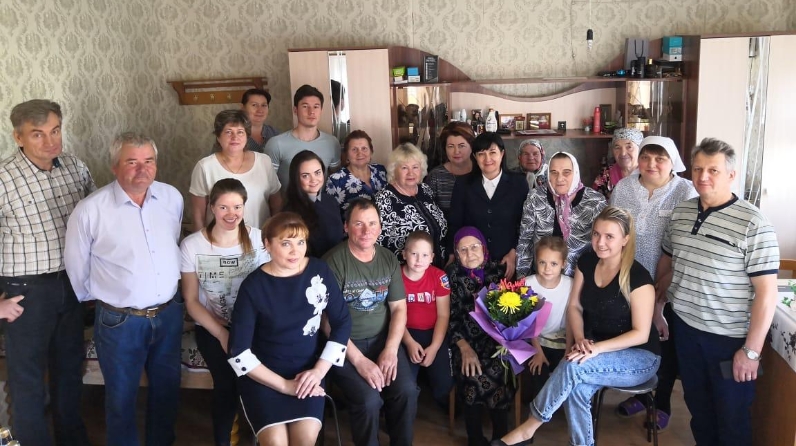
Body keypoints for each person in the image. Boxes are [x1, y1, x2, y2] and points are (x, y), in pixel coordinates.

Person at [494, 206, 661, 446]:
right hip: (594, 350)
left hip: (640, 358)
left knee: (573, 367)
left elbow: (641, 334)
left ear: (625, 239)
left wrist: (596, 348)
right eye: (596, 234)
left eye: (609, 236)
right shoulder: (587, 262)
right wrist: (580, 339)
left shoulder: (639, 278)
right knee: (577, 388)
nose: (600, 242)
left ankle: (527, 429)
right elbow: (574, 307)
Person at [656, 138, 779, 446]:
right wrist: (658, 307)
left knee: (732, 416)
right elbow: (668, 262)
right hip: (686, 331)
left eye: (713, 170)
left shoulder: (754, 223)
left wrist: (751, 352)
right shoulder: (681, 213)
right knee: (699, 410)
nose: (703, 177)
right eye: (698, 169)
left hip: (728, 340)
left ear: (731, 175)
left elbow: (766, 294)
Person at [65, 132, 184, 446]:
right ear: (115, 166)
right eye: (132, 162)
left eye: (149, 161)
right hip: (120, 321)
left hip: (169, 314)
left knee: (167, 392)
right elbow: (77, 269)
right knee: (121, 398)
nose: (142, 169)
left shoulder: (171, 197)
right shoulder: (91, 210)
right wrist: (112, 297)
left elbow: (171, 243)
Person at [0, 99, 94, 446]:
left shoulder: (75, 167)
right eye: (37, 134)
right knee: (27, 381)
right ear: (18, 137)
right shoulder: (4, 178)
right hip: (24, 292)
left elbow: (96, 222)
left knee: (69, 371)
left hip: (71, 285)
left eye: (55, 131)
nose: (50, 141)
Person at [227, 212, 352, 446]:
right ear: (267, 245)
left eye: (300, 242)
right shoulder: (253, 286)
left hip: (308, 374)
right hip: (264, 377)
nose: (295, 251)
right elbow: (238, 353)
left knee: (304, 441)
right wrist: (285, 386)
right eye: (286, 243)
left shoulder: (319, 271)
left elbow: (342, 322)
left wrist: (318, 372)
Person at [609, 136, 697, 429]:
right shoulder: (624, 188)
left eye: (660, 159)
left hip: (668, 281)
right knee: (639, 340)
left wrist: (664, 285)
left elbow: (686, 242)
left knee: (664, 344)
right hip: (629, 279)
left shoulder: (685, 191)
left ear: (673, 162)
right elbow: (613, 229)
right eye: (646, 157)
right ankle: (641, 395)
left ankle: (662, 403)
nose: (651, 164)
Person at [180, 178, 271, 446]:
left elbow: (271, 289)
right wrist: (221, 333)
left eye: (237, 207)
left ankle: (259, 437)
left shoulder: (259, 239)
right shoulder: (192, 245)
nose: (231, 214)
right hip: (211, 326)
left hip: (255, 326)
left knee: (256, 381)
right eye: (223, 207)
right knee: (227, 383)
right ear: (211, 207)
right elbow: (191, 301)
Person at [322, 198, 419, 446]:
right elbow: (327, 323)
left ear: (380, 227)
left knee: (407, 391)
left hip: (382, 340)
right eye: (358, 224)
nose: (366, 231)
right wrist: (359, 361)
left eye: (372, 223)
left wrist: (390, 350)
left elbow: (399, 308)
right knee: (369, 401)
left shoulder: (388, 259)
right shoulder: (332, 262)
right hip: (345, 346)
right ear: (346, 227)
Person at [446, 226, 513, 446]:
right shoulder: (451, 277)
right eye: (463, 249)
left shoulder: (499, 272)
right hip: (464, 340)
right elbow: (448, 319)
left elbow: (511, 311)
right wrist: (464, 348)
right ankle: (474, 439)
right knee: (471, 373)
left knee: (499, 369)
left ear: (483, 248)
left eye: (474, 247)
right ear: (457, 254)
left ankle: (500, 438)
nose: (470, 253)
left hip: (496, 340)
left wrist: (506, 337)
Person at [449, 132, 528, 279]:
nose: (487, 159)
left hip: (506, 261)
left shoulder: (519, 183)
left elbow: (524, 224)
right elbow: (455, 222)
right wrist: (453, 255)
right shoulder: (463, 184)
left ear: (502, 154)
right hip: (471, 263)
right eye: (481, 154)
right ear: (475, 157)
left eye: (492, 152)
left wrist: (514, 252)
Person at [516, 152, 607, 278]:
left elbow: (602, 244)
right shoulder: (535, 197)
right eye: (554, 172)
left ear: (575, 173)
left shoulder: (595, 201)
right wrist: (522, 279)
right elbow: (525, 241)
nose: (559, 179)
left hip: (580, 278)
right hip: (542, 275)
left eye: (566, 172)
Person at [190, 109, 282, 232]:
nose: (235, 137)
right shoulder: (205, 167)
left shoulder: (264, 161)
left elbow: (276, 204)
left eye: (240, 132)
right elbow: (198, 215)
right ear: (218, 136)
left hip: (259, 238)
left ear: (247, 136)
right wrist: (201, 241)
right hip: (218, 239)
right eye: (228, 132)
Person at [400, 230, 453, 409]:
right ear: (404, 254)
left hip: (434, 333)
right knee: (404, 384)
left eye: (424, 255)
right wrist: (409, 342)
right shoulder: (396, 277)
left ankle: (443, 404)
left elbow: (443, 315)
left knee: (444, 384)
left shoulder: (439, 276)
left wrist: (435, 347)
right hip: (405, 333)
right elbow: (393, 316)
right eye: (414, 253)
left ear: (432, 257)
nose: (418, 259)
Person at [375, 143, 448, 268]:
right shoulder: (383, 199)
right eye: (404, 168)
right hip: (405, 272)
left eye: (415, 167)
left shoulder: (425, 190)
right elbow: (377, 243)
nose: (411, 173)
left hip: (437, 270)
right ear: (394, 170)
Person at [264, 84, 341, 193]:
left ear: (321, 110)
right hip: (289, 203)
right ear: (295, 110)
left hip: (321, 202)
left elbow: (335, 179)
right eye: (305, 106)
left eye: (316, 107)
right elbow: (269, 185)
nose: (311, 112)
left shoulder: (332, 143)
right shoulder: (276, 144)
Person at [524, 236, 572, 402]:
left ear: (563, 264)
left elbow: (572, 319)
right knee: (538, 370)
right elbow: (526, 323)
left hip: (561, 341)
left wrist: (568, 350)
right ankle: (538, 407)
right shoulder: (527, 284)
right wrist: (537, 351)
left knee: (566, 371)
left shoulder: (570, 285)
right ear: (536, 261)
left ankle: (556, 405)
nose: (547, 269)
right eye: (542, 262)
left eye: (553, 264)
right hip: (535, 341)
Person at [282, 150, 345, 258]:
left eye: (317, 173)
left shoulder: (330, 201)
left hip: (338, 262)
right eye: (305, 176)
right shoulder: (290, 213)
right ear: (296, 178)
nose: (313, 180)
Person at [325, 130, 388, 219]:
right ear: (347, 154)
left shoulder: (381, 171)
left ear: (371, 152)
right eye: (354, 149)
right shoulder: (335, 181)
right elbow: (330, 217)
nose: (360, 153)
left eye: (364, 148)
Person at [425, 122, 475, 216]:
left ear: (471, 146)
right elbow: (428, 213)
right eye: (451, 146)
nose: (456, 151)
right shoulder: (436, 176)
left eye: (461, 146)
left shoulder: (481, 172)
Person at [592, 128, 643, 199]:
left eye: (629, 147)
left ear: (640, 149)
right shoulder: (605, 176)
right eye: (617, 147)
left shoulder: (649, 173)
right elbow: (594, 202)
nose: (623, 153)